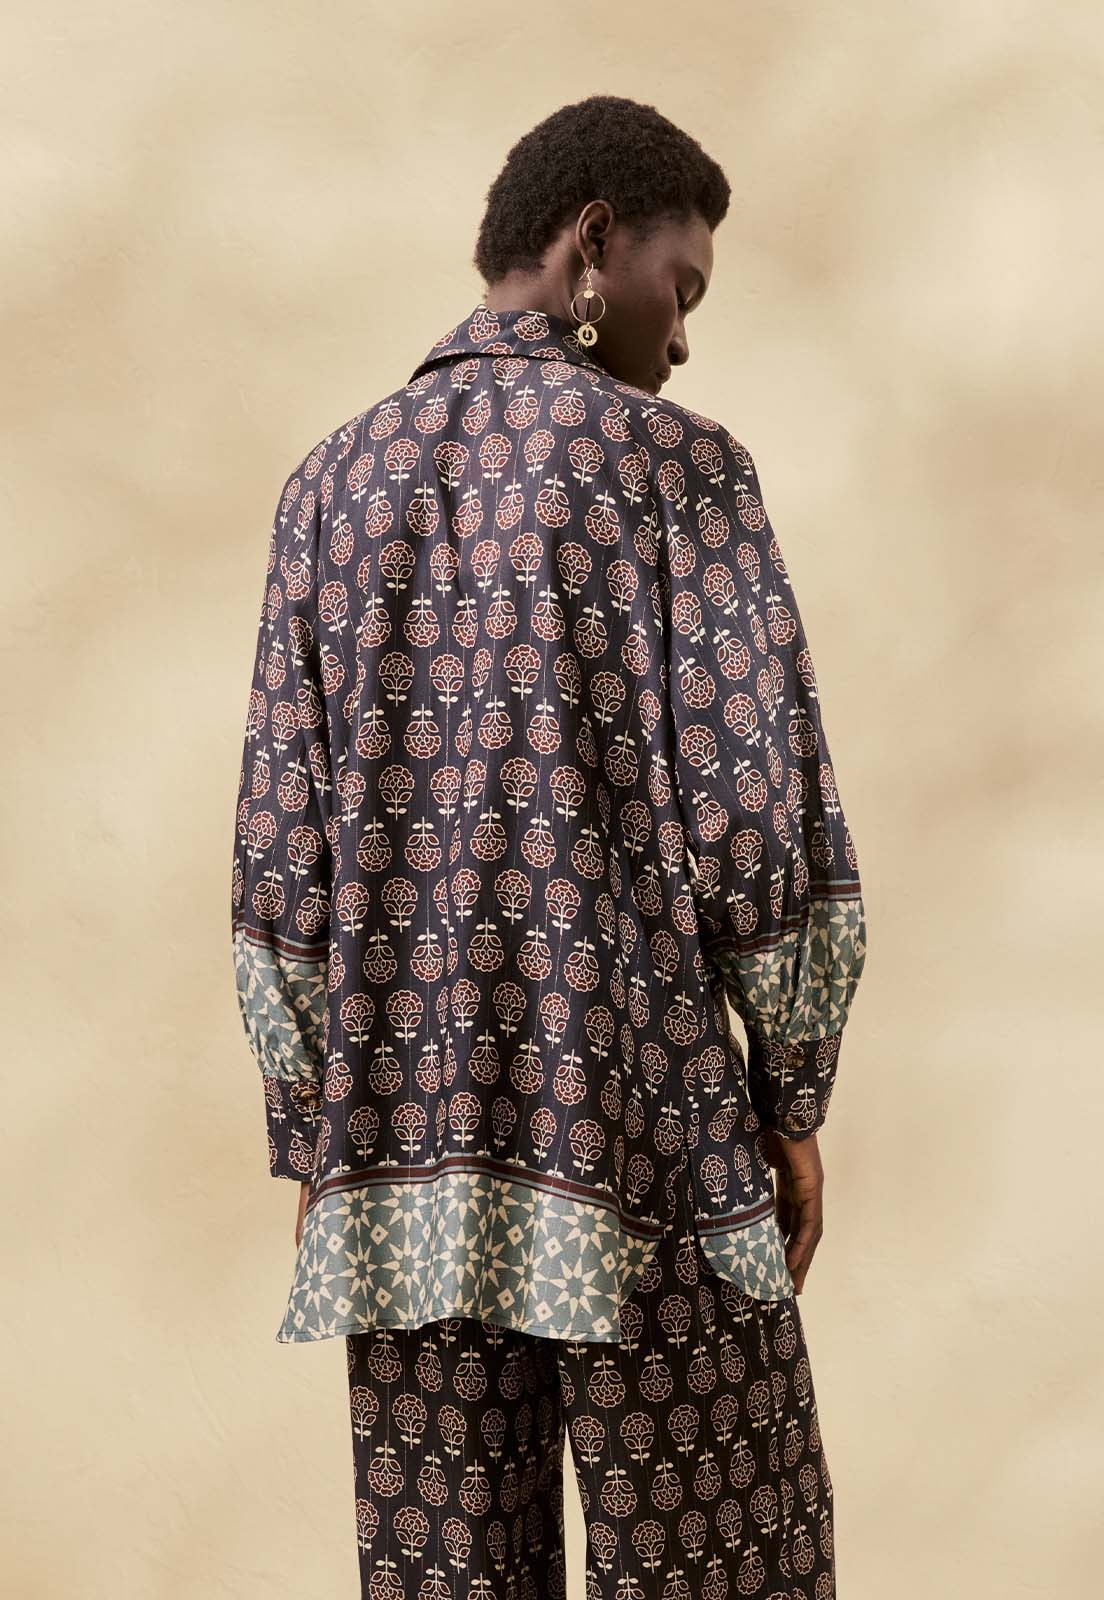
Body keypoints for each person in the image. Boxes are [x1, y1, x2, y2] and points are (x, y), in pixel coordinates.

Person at [231, 93, 867, 1599]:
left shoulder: (328, 486)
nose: (684, 337)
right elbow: (756, 814)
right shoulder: (676, 468)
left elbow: (279, 863)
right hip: (645, 1135)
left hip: (404, 1161)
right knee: (722, 1569)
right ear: (592, 244)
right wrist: (791, 1091)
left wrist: (314, 1125)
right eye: (680, 286)